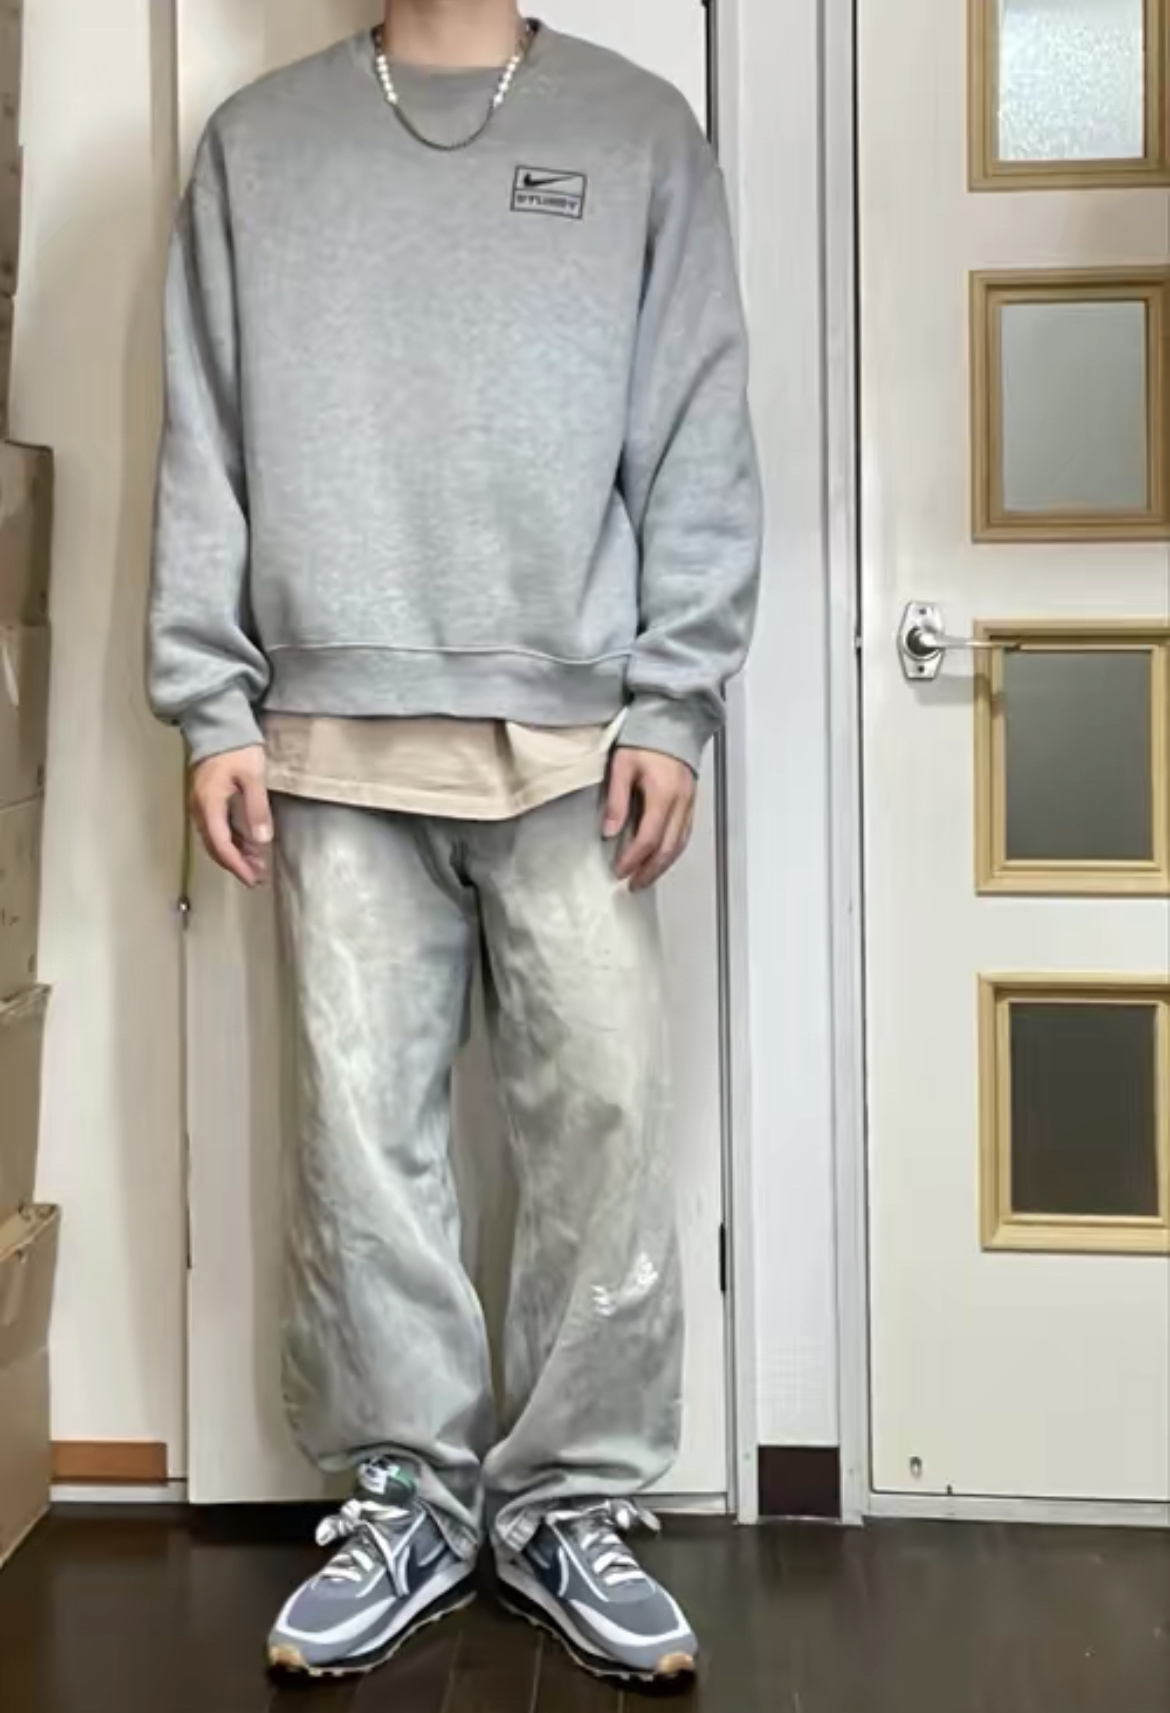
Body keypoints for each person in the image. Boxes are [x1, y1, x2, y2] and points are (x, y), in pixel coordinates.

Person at [148, 0, 761, 1688]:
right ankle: (410, 1498)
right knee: (360, 1142)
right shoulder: (258, 145)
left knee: (603, 1123)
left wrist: (674, 701)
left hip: (577, 735)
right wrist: (207, 702)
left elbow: (698, 425)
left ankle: (565, 1503)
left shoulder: (636, 128)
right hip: (327, 729)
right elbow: (200, 433)